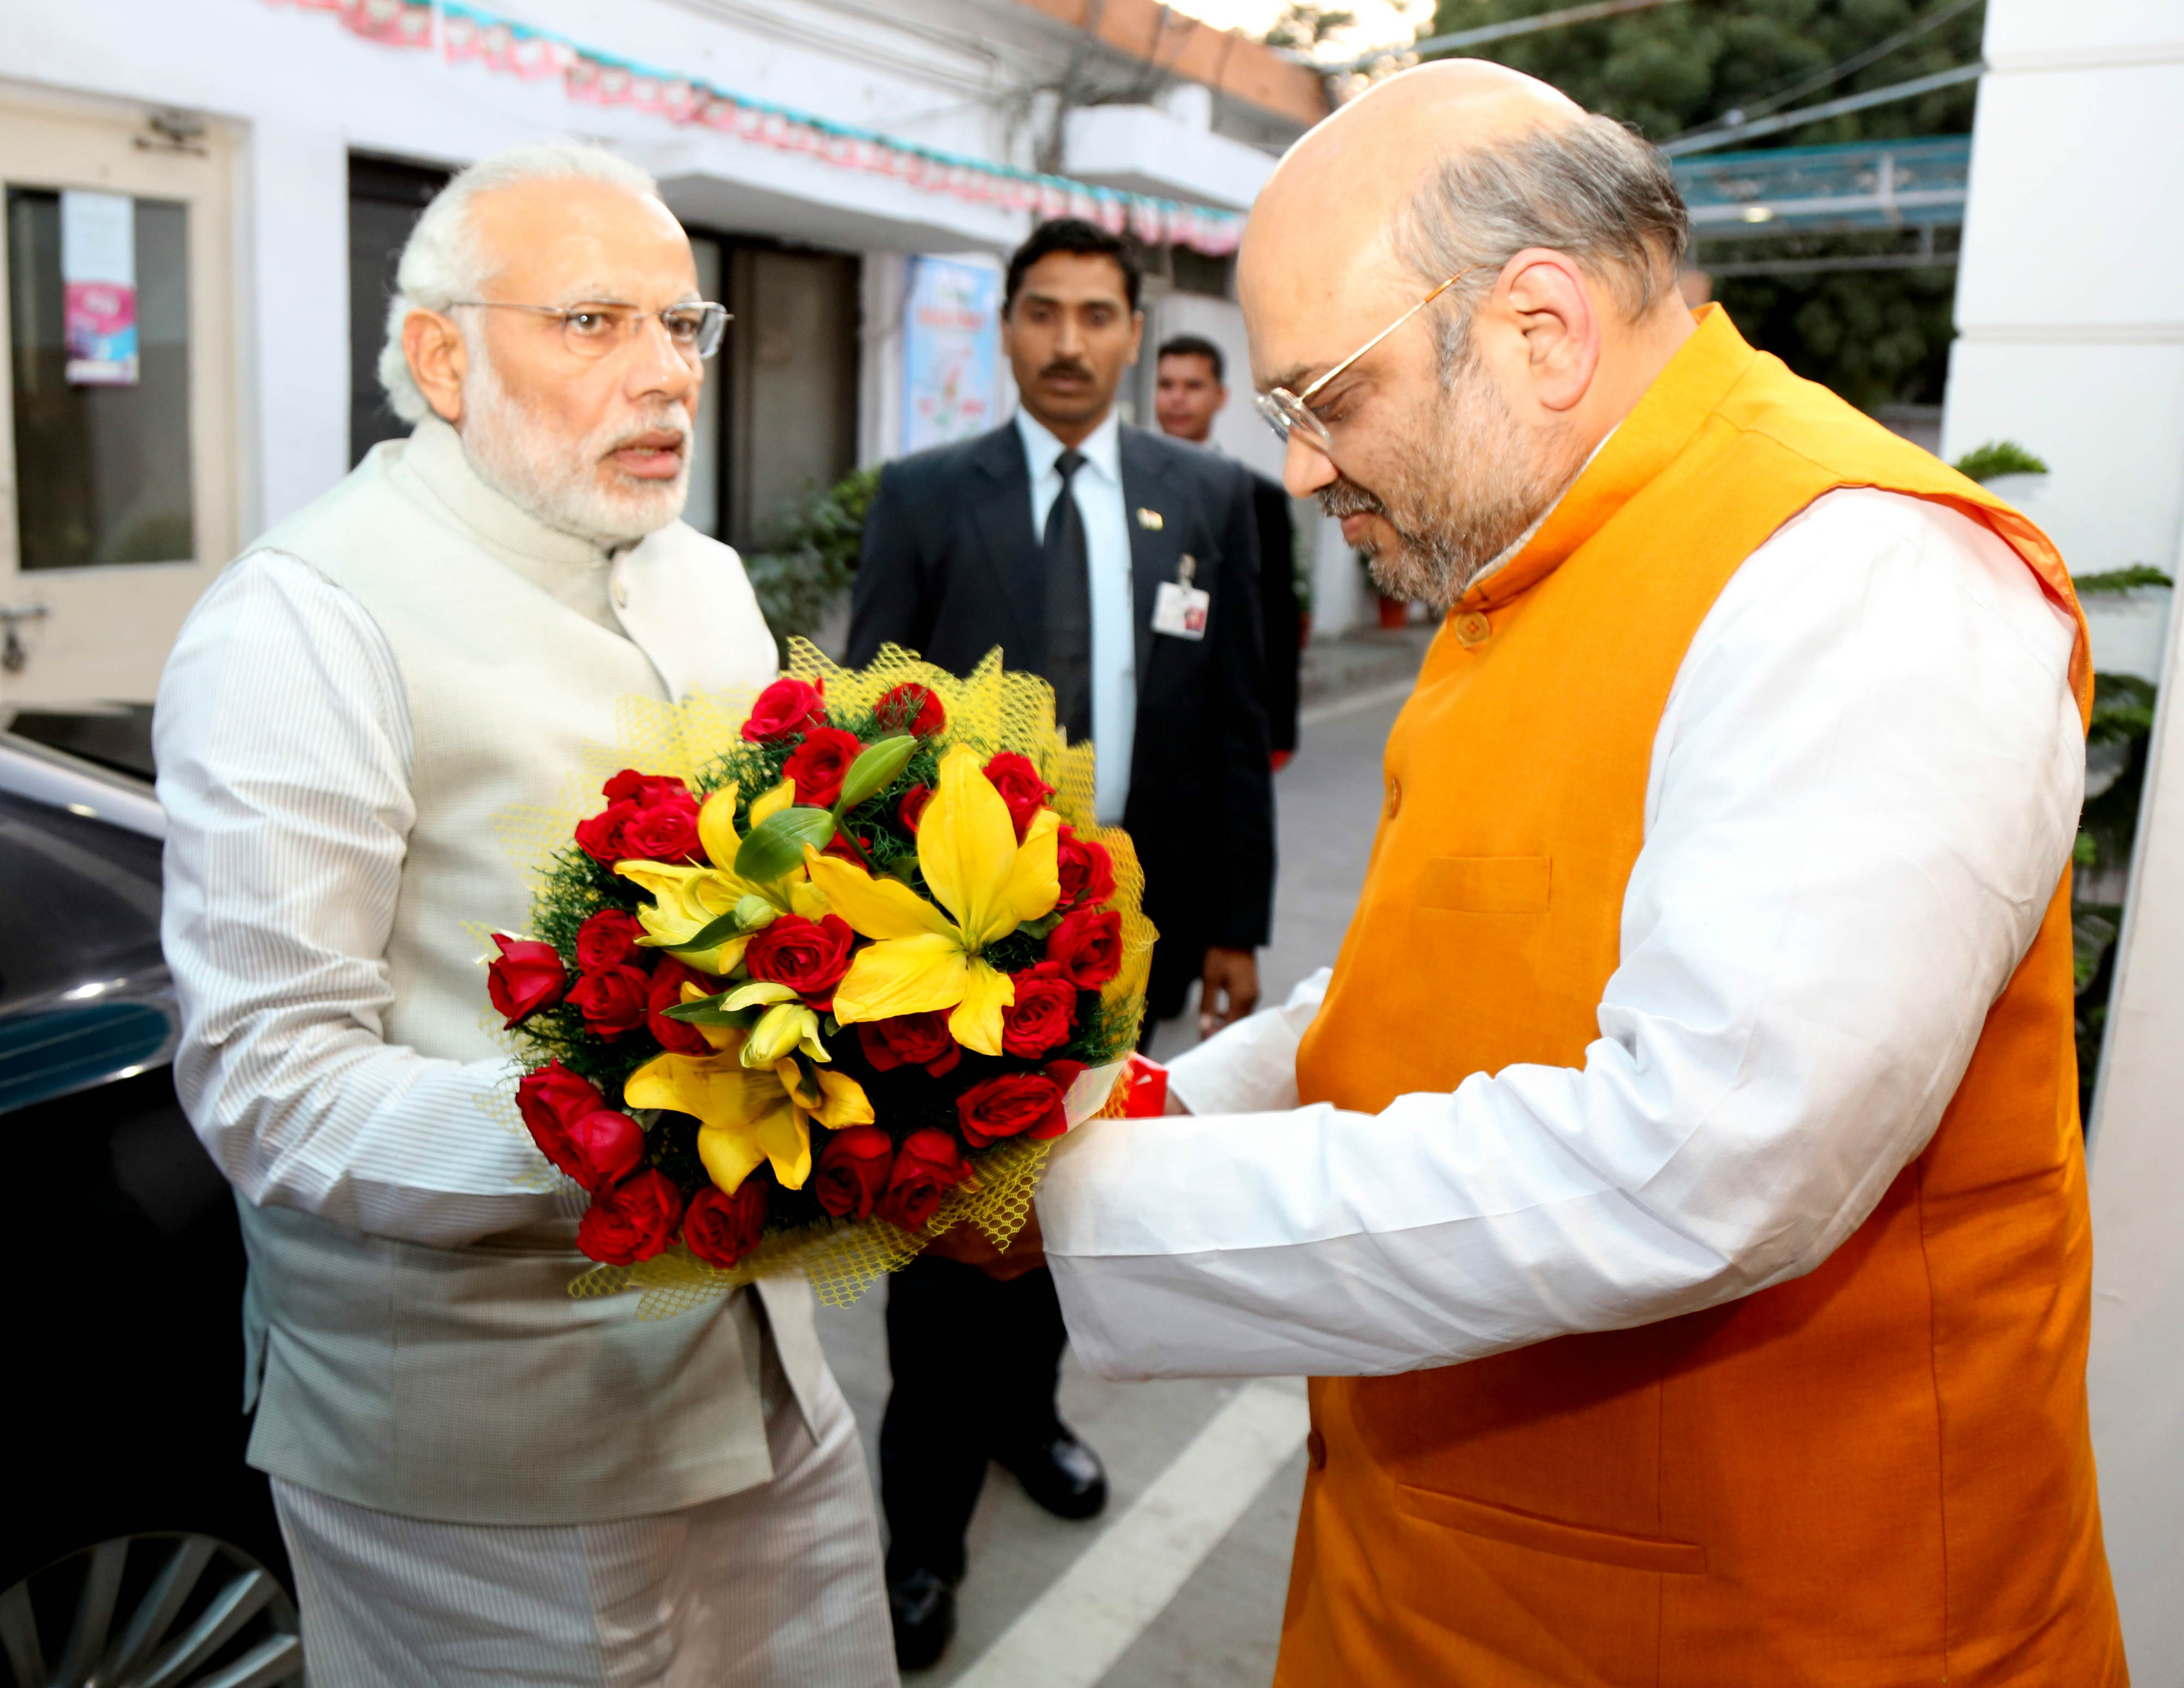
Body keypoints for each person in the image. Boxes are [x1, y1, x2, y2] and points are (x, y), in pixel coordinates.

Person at [1034, 62, 2128, 1685]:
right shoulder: (1532, 554)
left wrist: (1092, 1202)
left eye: (1327, 399)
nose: (1304, 473)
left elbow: (1706, 1157)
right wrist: (1169, 1103)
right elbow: (1443, 957)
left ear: (1540, 330)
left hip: (1764, 1629)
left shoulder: (1863, 579)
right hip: (1432, 1585)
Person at [155, 144, 896, 1687]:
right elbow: (270, 1083)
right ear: (442, 355)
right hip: (478, 1459)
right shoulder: (305, 621)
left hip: (768, 1379)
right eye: (592, 322)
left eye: (680, 327)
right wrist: (640, 1125)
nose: (663, 377)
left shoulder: (702, 582)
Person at [846, 218, 1274, 1668]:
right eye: (1045, 314)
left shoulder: (1207, 496)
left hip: (1126, 948)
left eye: (1101, 314)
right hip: (950, 958)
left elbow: (1227, 729)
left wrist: (1235, 923)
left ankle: (1029, 1420)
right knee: (938, 1228)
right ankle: (921, 1531)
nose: (1073, 342)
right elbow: (871, 740)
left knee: (1067, 1197)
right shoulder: (924, 497)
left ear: (1138, 330)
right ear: (1008, 330)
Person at [1155, 333, 1302, 766]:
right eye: (1166, 385)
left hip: (1220, 714)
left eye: (1193, 386)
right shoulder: (1117, 487)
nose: (1178, 399)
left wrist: (1280, 729)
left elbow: (1278, 617)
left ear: (1220, 396)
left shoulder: (1258, 498)